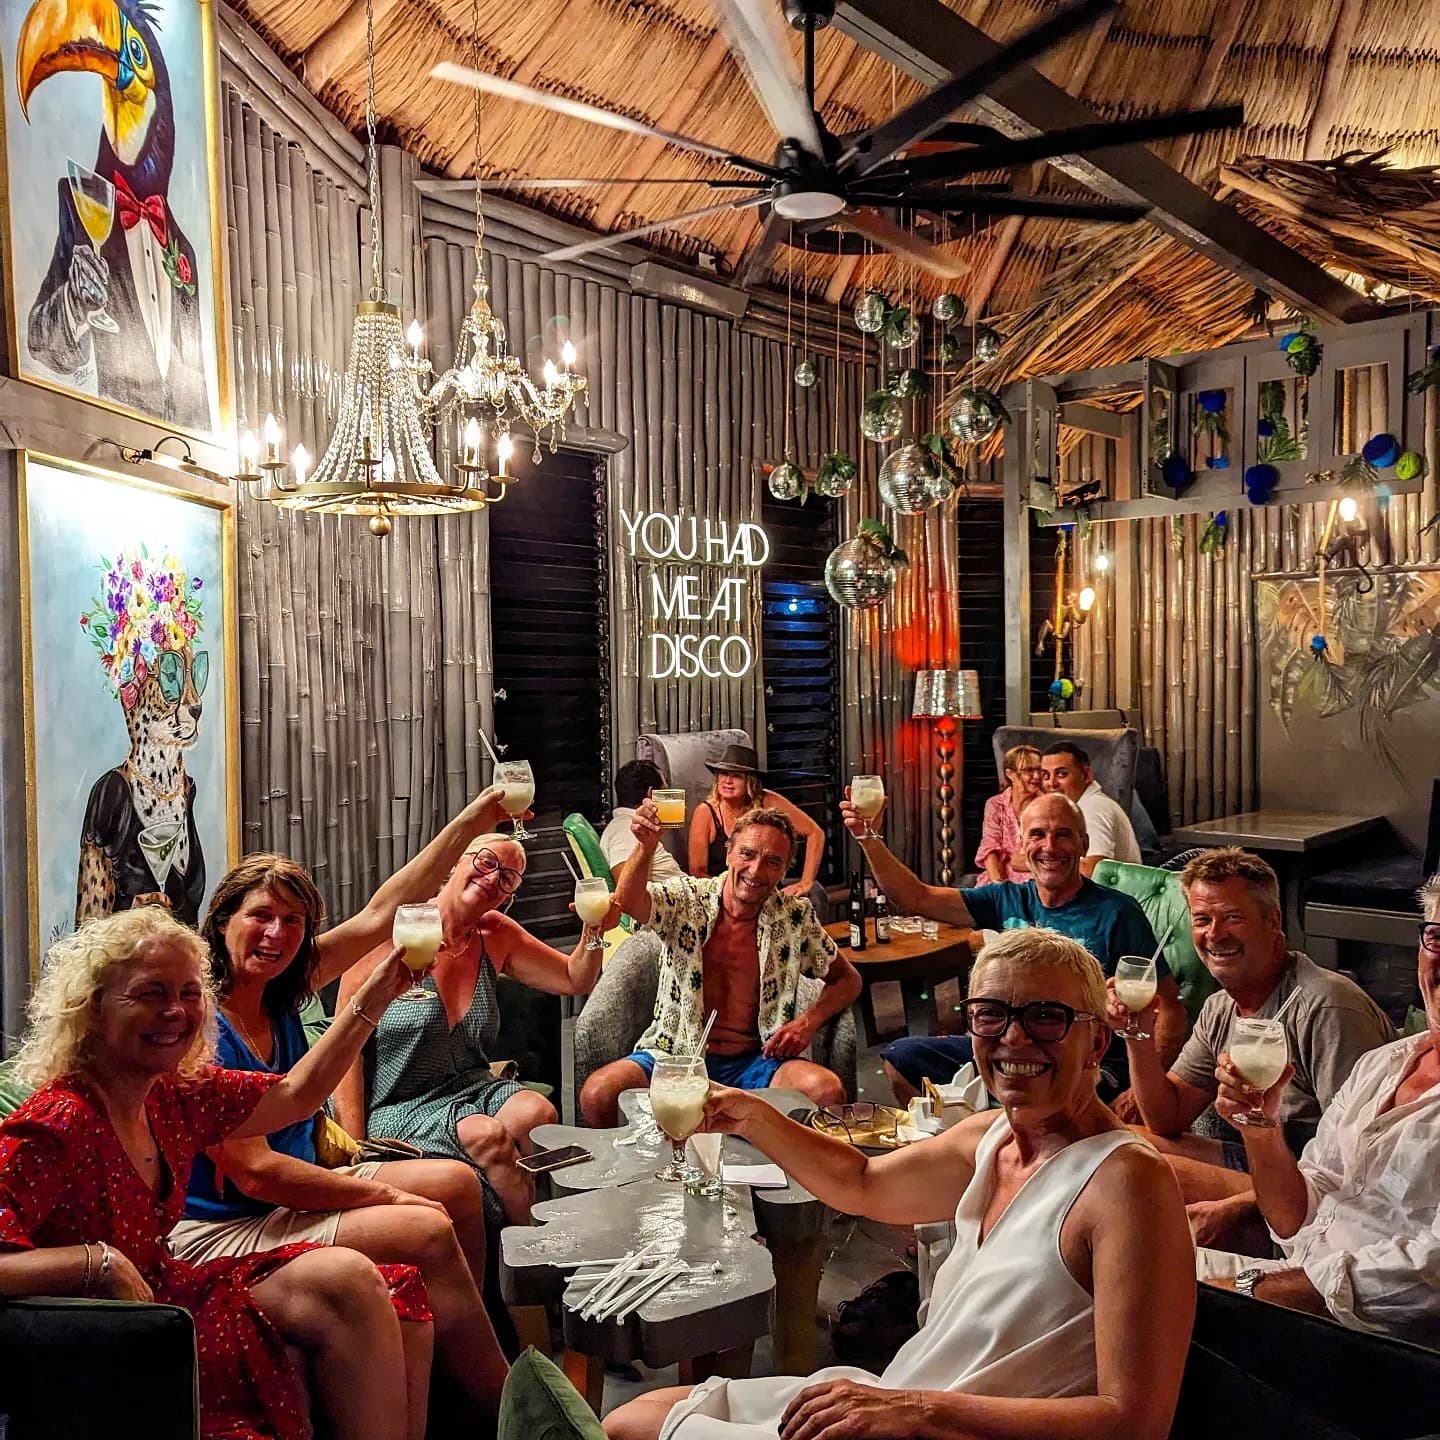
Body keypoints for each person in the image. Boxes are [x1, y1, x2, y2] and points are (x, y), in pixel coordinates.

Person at [603, 928, 1196, 1440]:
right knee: (640, 1412)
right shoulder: (990, 1137)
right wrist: (753, 1117)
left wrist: (918, 1411)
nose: (1014, 1038)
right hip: (903, 1396)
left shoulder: (1127, 1182)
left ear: (1097, 1041)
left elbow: (1135, 1421)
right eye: (991, 1014)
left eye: (1045, 1016)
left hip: (938, 1423)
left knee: (631, 1429)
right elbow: (862, 1182)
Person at [0, 907, 435, 1440]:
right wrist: (96, 1262)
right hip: (105, 1334)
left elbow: (296, 1095)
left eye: (189, 993)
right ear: (92, 1010)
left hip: (167, 1293)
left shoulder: (172, 1093)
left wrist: (379, 991)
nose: (175, 1012)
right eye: (150, 994)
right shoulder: (58, 1120)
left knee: (361, 1281)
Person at [171, 786, 520, 1416]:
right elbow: (258, 1172)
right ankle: (507, 1408)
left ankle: (460, 1358)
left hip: (299, 1182)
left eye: (294, 922)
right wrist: (384, 1195)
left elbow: (384, 911)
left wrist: (474, 819)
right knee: (425, 1225)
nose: (277, 934)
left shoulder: (281, 985)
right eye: (260, 916)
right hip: (235, 1218)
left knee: (457, 1184)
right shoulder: (200, 1027)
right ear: (221, 922)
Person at [1196, 874, 1440, 1349]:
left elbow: (1428, 1274)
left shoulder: (1326, 1004)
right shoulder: (1383, 1064)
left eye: (1233, 917)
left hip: (1369, 1343)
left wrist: (1248, 1293)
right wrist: (1261, 1129)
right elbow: (1296, 1220)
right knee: (1120, 1258)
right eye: (1438, 937)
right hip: (1289, 1281)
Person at [1113, 847, 1393, 1249]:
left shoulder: (1327, 1008)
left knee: (1137, 1172)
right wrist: (1137, 1034)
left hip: (1314, 1185)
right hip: (1256, 1159)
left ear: (1272, 921)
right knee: (1117, 1142)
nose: (1215, 934)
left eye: (1232, 917)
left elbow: (1360, 1160)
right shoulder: (1220, 1007)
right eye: (1202, 920)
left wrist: (1238, 1206)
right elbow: (1165, 1118)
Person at [335, 833, 609, 1224]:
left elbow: (574, 977)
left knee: (538, 1113)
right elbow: (345, 1051)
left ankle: (556, 1226)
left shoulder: (495, 934)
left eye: (508, 877)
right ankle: (525, 1248)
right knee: (487, 1137)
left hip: (470, 1084)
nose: (493, 878)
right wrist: (354, 1149)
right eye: (486, 862)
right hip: (399, 1103)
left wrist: (593, 929)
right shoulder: (397, 930)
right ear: (455, 862)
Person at [854, 791, 1185, 1105]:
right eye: (1037, 835)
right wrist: (869, 838)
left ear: (1083, 844)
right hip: (1011, 1043)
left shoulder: (1118, 913)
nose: (1049, 847)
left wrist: (1142, 1092)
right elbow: (916, 897)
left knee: (1037, 1095)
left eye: (1063, 835)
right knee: (902, 1058)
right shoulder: (1005, 898)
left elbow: (1170, 1007)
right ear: (1022, 845)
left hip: (1087, 1059)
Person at [580, 803, 862, 1127]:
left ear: (785, 870)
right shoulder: (686, 899)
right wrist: (646, 847)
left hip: (757, 1061)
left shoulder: (794, 918)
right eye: (747, 854)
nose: (756, 871)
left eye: (772, 862)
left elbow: (848, 980)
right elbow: (630, 902)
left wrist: (807, 1023)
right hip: (674, 1055)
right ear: (728, 853)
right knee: (598, 1093)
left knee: (827, 1090)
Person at [688, 744, 825, 898]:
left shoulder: (768, 801)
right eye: (723, 774)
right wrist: (730, 895)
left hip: (767, 892)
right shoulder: (706, 812)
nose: (728, 781)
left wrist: (806, 882)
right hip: (723, 896)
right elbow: (697, 872)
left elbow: (815, 833)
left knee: (815, 895)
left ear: (750, 781)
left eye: (736, 776)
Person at [1040, 742, 1142, 873]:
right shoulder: (1076, 808)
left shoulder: (1094, 808)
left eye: (1061, 774)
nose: (1051, 783)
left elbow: (1092, 869)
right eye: (1046, 776)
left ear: (1086, 775)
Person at [601, 759, 685, 882]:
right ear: (650, 794)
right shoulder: (625, 830)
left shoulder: (631, 827)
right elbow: (626, 886)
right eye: (664, 790)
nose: (668, 797)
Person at [976, 743, 1043, 883]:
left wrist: (1028, 863)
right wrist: (998, 885)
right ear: (1010, 774)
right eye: (1029, 770)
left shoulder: (1047, 804)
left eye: (1039, 770)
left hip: (1036, 877)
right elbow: (989, 847)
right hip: (1001, 877)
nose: (1037, 776)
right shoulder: (995, 804)